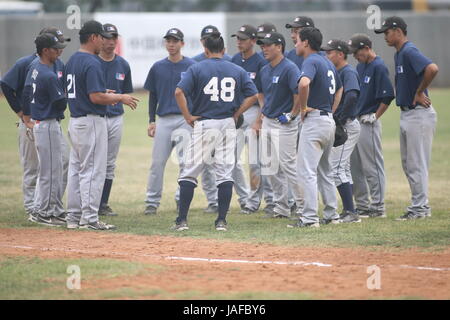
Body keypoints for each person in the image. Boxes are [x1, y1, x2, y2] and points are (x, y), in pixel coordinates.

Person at [173, 32, 258, 231]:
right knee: (225, 173)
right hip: (228, 123)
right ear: (224, 50)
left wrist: (187, 116)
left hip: (205, 123)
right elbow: (253, 95)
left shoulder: (197, 67)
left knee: (190, 172)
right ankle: (221, 221)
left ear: (205, 50)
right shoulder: (236, 69)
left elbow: (178, 92)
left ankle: (182, 220)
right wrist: (237, 112)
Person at [65, 20, 138, 230]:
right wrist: (120, 98)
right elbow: (96, 97)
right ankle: (89, 218)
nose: (104, 41)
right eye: (101, 37)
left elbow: (82, 92)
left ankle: (73, 216)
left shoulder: (72, 60)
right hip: (91, 121)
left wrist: (108, 95)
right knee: (93, 170)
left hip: (76, 120)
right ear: (93, 38)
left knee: (76, 169)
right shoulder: (92, 61)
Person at [0, 27, 69, 220]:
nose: (61, 47)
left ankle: (51, 205)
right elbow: (7, 84)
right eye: (57, 43)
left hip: (49, 121)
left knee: (61, 163)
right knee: (33, 167)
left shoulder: (58, 64)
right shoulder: (28, 63)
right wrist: (23, 114)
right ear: (45, 45)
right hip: (34, 121)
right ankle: (33, 207)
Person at [375, 16, 438, 220]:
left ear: (398, 31)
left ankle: (420, 208)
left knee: (416, 164)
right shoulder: (399, 53)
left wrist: (420, 92)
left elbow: (432, 68)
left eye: (387, 32)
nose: (385, 36)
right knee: (409, 164)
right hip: (408, 114)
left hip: (418, 115)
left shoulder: (409, 50)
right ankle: (418, 205)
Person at [288, 27, 343, 228]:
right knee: (325, 171)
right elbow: (340, 88)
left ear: (306, 43)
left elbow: (303, 84)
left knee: (307, 171)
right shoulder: (326, 61)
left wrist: (302, 108)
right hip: (327, 119)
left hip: (315, 121)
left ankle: (310, 219)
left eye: (298, 40)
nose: (295, 43)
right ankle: (332, 215)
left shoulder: (310, 60)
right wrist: (330, 110)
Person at [143, 28, 197, 215]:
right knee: (157, 163)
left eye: (175, 41)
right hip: (164, 119)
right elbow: (153, 96)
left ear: (182, 43)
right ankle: (151, 201)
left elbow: (197, 93)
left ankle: (181, 199)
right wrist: (151, 120)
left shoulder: (191, 65)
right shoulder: (158, 67)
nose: (171, 44)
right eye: (168, 41)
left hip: (184, 119)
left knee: (185, 163)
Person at [253, 31, 304, 219]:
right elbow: (259, 92)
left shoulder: (289, 68)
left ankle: (302, 207)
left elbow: (298, 92)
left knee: (290, 166)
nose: (263, 48)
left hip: (285, 125)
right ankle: (281, 208)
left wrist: (292, 114)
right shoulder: (265, 69)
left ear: (279, 46)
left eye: (267, 45)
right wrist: (263, 109)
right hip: (268, 121)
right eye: (262, 45)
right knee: (270, 167)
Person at [21, 33, 67, 226]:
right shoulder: (48, 74)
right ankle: (44, 212)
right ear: (45, 50)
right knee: (49, 172)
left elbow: (25, 92)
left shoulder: (35, 68)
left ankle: (53, 209)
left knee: (52, 170)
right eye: (55, 48)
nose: (59, 51)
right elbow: (61, 103)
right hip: (47, 123)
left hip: (41, 122)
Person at [348, 33, 395, 219]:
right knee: (356, 167)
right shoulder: (361, 66)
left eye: (357, 52)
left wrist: (376, 116)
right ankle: (363, 206)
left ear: (367, 48)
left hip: (369, 120)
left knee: (372, 166)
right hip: (357, 120)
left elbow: (388, 95)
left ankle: (378, 206)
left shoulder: (378, 66)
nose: (355, 56)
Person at [230, 24, 274, 214]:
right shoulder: (233, 60)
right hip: (235, 115)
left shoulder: (260, 62)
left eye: (243, 38)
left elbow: (260, 94)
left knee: (257, 162)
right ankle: (245, 198)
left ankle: (260, 201)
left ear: (254, 41)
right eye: (237, 38)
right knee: (230, 160)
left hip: (255, 112)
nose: (239, 41)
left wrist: (259, 119)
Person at [322, 39, 361, 223]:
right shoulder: (338, 71)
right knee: (342, 168)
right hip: (343, 123)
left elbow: (352, 95)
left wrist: (340, 117)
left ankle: (350, 212)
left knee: (336, 168)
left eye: (329, 52)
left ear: (340, 54)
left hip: (347, 125)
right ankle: (350, 210)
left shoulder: (348, 71)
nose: (326, 55)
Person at [97, 23, 134, 217]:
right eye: (107, 38)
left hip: (116, 117)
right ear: (99, 39)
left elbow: (126, 91)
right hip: (96, 117)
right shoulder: (93, 61)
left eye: (114, 38)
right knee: (94, 161)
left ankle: (103, 203)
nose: (110, 42)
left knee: (110, 163)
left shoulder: (122, 64)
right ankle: (89, 202)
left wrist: (118, 99)